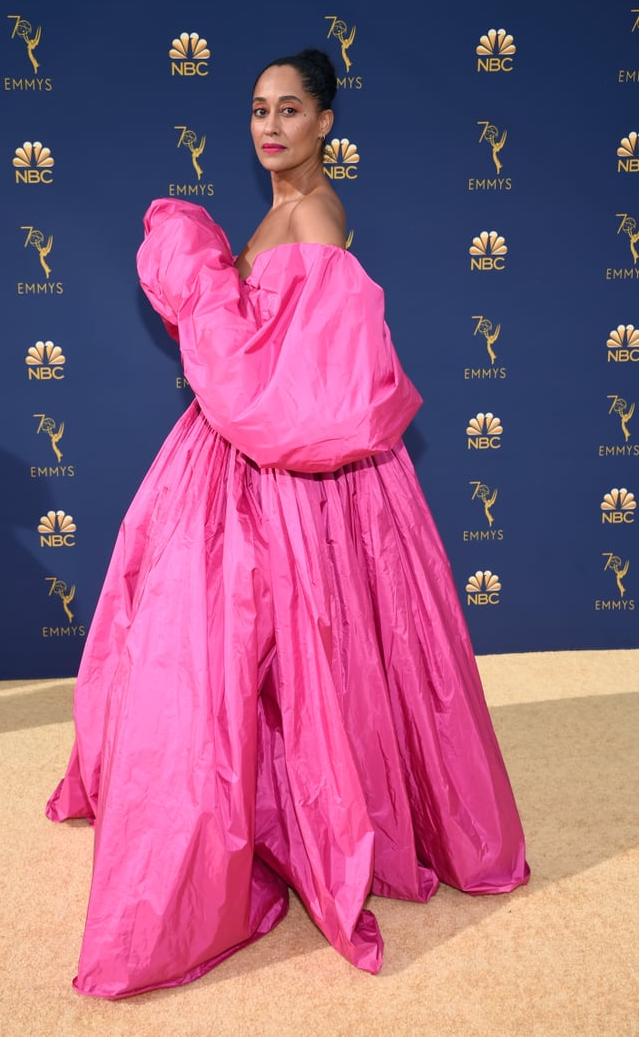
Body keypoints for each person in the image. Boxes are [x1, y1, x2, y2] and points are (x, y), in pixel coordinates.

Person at [46, 48, 529, 1000]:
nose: (271, 127)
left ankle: (266, 835)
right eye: (259, 111)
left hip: (292, 486)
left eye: (291, 110)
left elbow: (312, 403)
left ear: (327, 124)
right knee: (226, 658)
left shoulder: (310, 216)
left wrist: (202, 293)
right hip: (236, 465)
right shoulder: (278, 211)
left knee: (258, 657)